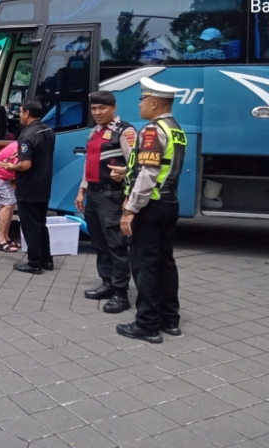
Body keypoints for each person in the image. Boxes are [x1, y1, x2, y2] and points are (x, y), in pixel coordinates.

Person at [116, 78, 186, 344]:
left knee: (145, 264)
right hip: (170, 203)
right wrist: (127, 169)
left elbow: (148, 173)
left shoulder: (151, 130)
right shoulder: (175, 129)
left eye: (142, 99)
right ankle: (170, 319)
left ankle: (147, 324)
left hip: (151, 207)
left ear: (154, 102)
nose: (140, 104)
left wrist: (130, 209)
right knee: (166, 262)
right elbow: (162, 165)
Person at [74, 91, 137, 314]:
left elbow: (137, 165)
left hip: (112, 196)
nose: (97, 113)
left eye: (102, 108)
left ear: (114, 107)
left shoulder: (125, 131)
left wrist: (128, 198)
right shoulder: (93, 132)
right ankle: (107, 284)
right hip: (93, 194)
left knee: (116, 245)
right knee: (99, 244)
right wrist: (82, 190)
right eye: (94, 109)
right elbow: (88, 164)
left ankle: (121, 294)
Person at [0, 99, 55, 275]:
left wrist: (12, 166)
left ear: (27, 113)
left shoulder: (27, 135)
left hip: (29, 186)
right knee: (41, 224)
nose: (19, 115)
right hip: (44, 185)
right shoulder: (48, 130)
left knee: (30, 225)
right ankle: (47, 259)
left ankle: (34, 263)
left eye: (21, 112)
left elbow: (25, 165)